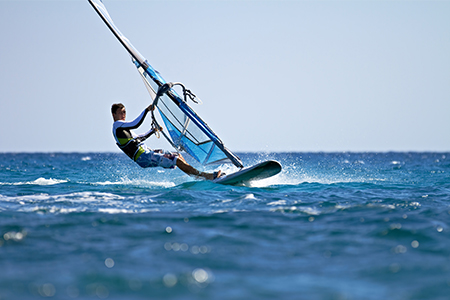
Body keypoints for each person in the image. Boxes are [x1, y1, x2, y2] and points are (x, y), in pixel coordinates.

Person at [111, 103, 222, 180]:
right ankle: (206, 176)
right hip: (143, 156)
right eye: (121, 113)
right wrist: (146, 110)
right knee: (176, 159)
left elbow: (139, 138)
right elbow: (135, 124)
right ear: (114, 115)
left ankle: (198, 176)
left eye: (124, 112)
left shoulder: (123, 128)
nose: (123, 115)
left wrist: (152, 130)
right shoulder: (117, 125)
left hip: (146, 153)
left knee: (177, 155)